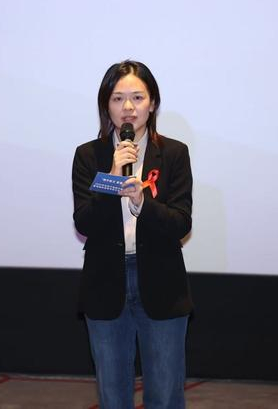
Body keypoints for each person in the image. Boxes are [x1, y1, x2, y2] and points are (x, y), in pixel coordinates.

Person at [72, 60, 193, 409]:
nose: (128, 107)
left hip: (162, 282)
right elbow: (85, 223)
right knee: (113, 396)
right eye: (117, 98)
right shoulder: (88, 155)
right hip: (105, 283)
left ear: (152, 103)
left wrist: (143, 203)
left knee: (165, 395)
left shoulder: (174, 153)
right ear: (106, 105)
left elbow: (181, 223)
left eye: (137, 97)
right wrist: (111, 176)